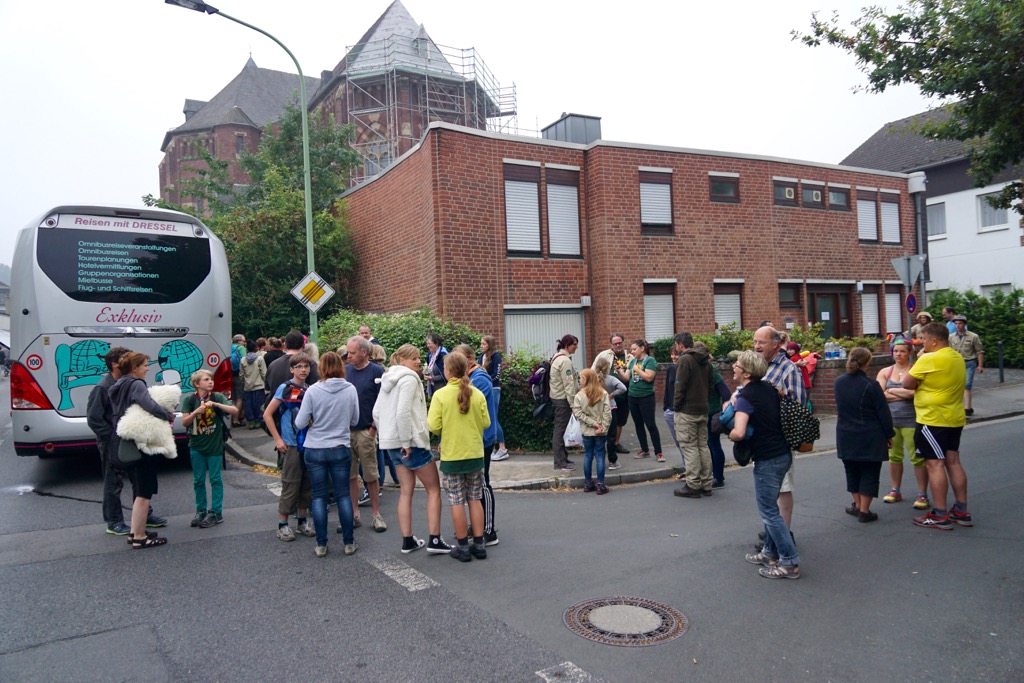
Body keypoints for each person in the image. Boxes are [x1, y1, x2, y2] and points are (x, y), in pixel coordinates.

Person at [374, 344, 452, 555]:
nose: (419, 362)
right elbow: (403, 413)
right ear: (402, 360)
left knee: (405, 491)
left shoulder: (387, 378)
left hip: (391, 443)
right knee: (433, 490)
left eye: (418, 357)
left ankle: (407, 540)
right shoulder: (409, 379)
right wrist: (406, 441)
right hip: (412, 444)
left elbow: (376, 413)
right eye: (414, 358)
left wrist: (388, 436)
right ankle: (434, 539)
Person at [728, 351, 800, 579]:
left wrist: (728, 432)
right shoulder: (769, 388)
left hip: (767, 458)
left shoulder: (746, 397)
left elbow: (739, 432)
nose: (733, 366)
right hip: (782, 454)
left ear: (747, 373)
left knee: (769, 512)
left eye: (737, 364)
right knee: (772, 508)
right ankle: (769, 553)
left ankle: (789, 562)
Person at [87, 345, 166, 536]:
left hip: (131, 438)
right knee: (113, 481)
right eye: (126, 359)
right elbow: (94, 419)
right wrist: (112, 436)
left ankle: (145, 516)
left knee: (138, 478)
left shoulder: (128, 382)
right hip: (112, 441)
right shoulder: (102, 387)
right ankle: (114, 521)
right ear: (115, 364)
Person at [902, 322, 972, 530]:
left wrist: (920, 359)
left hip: (932, 419)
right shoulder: (957, 357)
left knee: (934, 465)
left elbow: (907, 383)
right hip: (954, 417)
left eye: (924, 339)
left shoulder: (929, 359)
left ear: (933, 340)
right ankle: (961, 510)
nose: (921, 343)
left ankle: (940, 514)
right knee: (953, 462)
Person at [294, 352, 361, 558]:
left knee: (319, 497)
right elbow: (355, 420)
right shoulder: (350, 389)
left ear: (321, 368)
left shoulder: (313, 390)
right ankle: (348, 542)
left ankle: (321, 544)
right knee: (343, 495)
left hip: (315, 448)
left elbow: (300, 422)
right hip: (340, 446)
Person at [427, 352, 491, 562]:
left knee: (456, 500)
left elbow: (433, 426)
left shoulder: (441, 395)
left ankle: (463, 547)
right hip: (474, 453)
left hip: (452, 455)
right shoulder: (477, 394)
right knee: (474, 498)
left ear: (447, 371)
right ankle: (479, 544)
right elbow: (486, 422)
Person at [108, 352, 174, 549]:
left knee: (138, 488)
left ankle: (135, 532)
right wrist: (167, 415)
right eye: (145, 365)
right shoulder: (136, 384)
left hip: (124, 440)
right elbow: (149, 405)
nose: (147, 368)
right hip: (140, 442)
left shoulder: (119, 384)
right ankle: (139, 536)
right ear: (134, 368)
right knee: (144, 491)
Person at [754, 326, 806, 533]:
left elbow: (798, 405)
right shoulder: (758, 367)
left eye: (762, 342)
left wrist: (777, 394)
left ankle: (783, 533)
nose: (757, 346)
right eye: (755, 342)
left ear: (776, 344)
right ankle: (772, 531)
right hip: (761, 439)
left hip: (781, 439)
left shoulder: (788, 369)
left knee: (782, 487)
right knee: (768, 489)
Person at [834, 348, 894, 523]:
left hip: (845, 433)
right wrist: (889, 434)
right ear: (867, 363)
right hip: (870, 434)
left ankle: (858, 505)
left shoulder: (838, 382)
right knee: (870, 472)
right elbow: (883, 413)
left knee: (852, 471)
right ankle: (865, 511)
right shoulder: (871, 385)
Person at [263, 353, 316, 542]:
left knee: (307, 484)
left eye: (306, 366)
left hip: (308, 444)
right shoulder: (284, 388)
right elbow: (268, 414)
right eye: (299, 367)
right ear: (292, 369)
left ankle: (302, 521)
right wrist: (278, 439)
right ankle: (283, 524)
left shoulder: (310, 389)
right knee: (290, 484)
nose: (303, 370)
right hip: (291, 443)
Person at [180, 369, 238, 528]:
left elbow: (234, 410)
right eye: (206, 380)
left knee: (215, 479)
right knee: (198, 480)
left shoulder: (217, 396)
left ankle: (216, 512)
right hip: (196, 444)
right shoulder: (190, 399)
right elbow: (184, 422)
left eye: (211, 379)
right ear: (197, 384)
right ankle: (201, 510)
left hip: (214, 444)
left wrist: (217, 404)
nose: (211, 382)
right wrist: (195, 412)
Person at [876, 339, 930, 510]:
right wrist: (904, 393)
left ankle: (922, 494)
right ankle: (895, 490)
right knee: (894, 457)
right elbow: (879, 395)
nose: (898, 354)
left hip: (912, 421)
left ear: (910, 353)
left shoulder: (915, 370)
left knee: (917, 458)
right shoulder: (885, 371)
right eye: (896, 351)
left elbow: (916, 393)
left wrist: (891, 390)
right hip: (891, 421)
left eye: (902, 351)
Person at [455, 345, 501, 546]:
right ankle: (477, 526)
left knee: (482, 484)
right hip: (474, 437)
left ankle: (488, 531)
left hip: (483, 438)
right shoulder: (469, 378)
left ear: (470, 359)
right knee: (473, 487)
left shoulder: (479, 379)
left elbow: (468, 407)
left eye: (459, 359)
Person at [345, 336, 387, 532]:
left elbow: (383, 401)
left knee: (371, 474)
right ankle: (354, 514)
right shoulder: (346, 371)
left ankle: (376, 514)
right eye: (348, 352)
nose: (349, 356)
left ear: (364, 352)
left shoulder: (377, 371)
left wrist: (373, 428)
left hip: (366, 430)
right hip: (346, 431)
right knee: (350, 475)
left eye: (352, 353)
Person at [672, 332, 714, 498]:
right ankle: (706, 483)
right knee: (702, 446)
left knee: (690, 448)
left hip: (687, 411)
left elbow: (679, 386)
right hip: (703, 409)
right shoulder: (706, 360)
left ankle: (693, 484)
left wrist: (676, 406)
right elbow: (711, 385)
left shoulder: (685, 360)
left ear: (680, 344)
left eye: (676, 345)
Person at [616, 339, 662, 461]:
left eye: (634, 349)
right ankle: (644, 450)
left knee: (650, 424)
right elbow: (626, 378)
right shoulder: (633, 362)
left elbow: (649, 377)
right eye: (631, 349)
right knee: (638, 424)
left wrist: (637, 370)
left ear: (642, 348)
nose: (632, 351)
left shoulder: (650, 361)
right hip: (632, 397)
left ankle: (658, 452)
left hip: (646, 397)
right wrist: (619, 371)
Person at [592, 333, 634, 457]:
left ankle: (616, 443)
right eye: (615, 343)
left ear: (623, 342)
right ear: (611, 344)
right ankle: (602, 445)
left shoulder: (629, 357)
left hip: (623, 395)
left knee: (620, 421)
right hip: (605, 396)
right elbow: (593, 370)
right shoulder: (604, 355)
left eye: (620, 342)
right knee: (603, 420)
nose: (618, 345)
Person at [698, 341, 732, 489]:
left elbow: (726, 393)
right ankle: (713, 475)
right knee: (709, 445)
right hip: (704, 413)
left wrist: (722, 412)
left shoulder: (711, 370)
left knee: (714, 445)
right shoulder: (701, 369)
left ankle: (719, 477)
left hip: (712, 413)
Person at [573, 368, 612, 494]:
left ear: (587, 380)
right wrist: (602, 427)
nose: (580, 380)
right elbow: (607, 413)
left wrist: (592, 423)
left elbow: (578, 413)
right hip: (600, 431)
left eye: (582, 378)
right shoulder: (603, 393)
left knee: (588, 455)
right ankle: (600, 484)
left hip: (587, 431)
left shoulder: (579, 396)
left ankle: (588, 483)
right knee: (600, 456)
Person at [549, 334, 581, 472]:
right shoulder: (565, 361)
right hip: (562, 400)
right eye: (574, 344)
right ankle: (560, 462)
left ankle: (563, 458)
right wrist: (573, 405)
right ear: (567, 345)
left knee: (560, 430)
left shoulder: (557, 357)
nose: (576, 347)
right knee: (560, 431)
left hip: (557, 398)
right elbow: (569, 385)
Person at [592, 357, 627, 471]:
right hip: (610, 408)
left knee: (598, 435)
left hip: (597, 410)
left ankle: (599, 459)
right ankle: (612, 461)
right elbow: (623, 388)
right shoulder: (611, 379)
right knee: (611, 436)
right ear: (607, 368)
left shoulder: (592, 379)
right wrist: (612, 395)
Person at [478, 335, 510, 461]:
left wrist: (485, 379)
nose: (481, 346)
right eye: (481, 343)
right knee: (485, 418)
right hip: (482, 389)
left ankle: (502, 448)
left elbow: (496, 375)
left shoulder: (496, 357)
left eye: (484, 344)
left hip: (494, 389)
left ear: (489, 345)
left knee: (493, 418)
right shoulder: (480, 357)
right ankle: (491, 447)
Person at [265, 330, 320, 394]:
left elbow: (267, 390)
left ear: (284, 345)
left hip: (276, 400)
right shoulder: (310, 364)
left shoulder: (272, 365)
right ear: (303, 345)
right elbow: (317, 390)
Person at [949, 314, 983, 416]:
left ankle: (967, 408)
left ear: (965, 324)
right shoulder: (951, 337)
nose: (958, 326)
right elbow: (949, 351)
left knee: (967, 384)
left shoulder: (973, 336)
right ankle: (957, 406)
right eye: (956, 324)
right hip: (956, 363)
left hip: (969, 362)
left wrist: (980, 365)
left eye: (960, 323)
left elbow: (979, 351)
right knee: (956, 385)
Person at [661, 347, 685, 463]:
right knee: (678, 441)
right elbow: (667, 389)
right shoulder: (671, 369)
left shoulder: (685, 369)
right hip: (670, 410)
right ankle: (686, 465)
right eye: (672, 354)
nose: (673, 357)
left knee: (685, 441)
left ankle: (689, 467)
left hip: (682, 410)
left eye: (676, 354)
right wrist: (666, 406)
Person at [239, 339, 267, 429]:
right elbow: (264, 373)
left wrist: (243, 382)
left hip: (247, 386)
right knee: (259, 404)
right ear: (255, 348)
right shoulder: (260, 359)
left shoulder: (243, 359)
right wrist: (265, 382)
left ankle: (251, 421)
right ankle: (258, 420)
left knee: (248, 404)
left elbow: (241, 374)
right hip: (259, 385)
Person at [424, 332, 448, 399]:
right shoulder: (430, 354)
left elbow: (447, 374)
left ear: (436, 343)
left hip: (443, 389)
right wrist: (426, 373)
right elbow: (428, 367)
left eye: (429, 343)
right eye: (427, 343)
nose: (427, 346)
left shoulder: (443, 355)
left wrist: (432, 378)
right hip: (434, 388)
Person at [230, 334, 246, 426]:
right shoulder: (241, 348)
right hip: (238, 375)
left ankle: (232, 418)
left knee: (233, 398)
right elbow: (245, 361)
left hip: (230, 375)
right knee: (239, 398)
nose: (244, 343)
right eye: (243, 341)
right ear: (239, 341)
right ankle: (236, 420)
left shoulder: (229, 347)